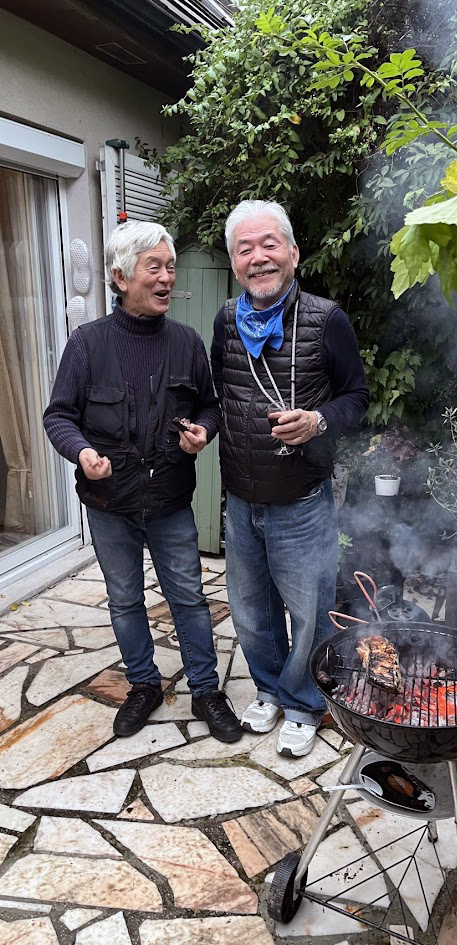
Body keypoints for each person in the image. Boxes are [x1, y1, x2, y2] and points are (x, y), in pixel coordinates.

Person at [44, 221, 241, 743]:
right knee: (125, 599)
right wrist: (83, 452)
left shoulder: (186, 342)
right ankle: (143, 686)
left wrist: (204, 431)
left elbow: (208, 405)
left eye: (170, 268)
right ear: (119, 277)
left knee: (189, 598)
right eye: (153, 267)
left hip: (172, 501)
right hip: (110, 504)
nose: (166, 278)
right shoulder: (87, 345)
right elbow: (58, 416)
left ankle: (205, 690)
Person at [211, 200, 369, 757]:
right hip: (241, 495)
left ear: (294, 253)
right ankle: (270, 688)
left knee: (308, 610)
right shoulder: (227, 319)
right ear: (234, 263)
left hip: (301, 498)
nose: (259, 258)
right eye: (245, 249)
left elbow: (358, 398)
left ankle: (305, 701)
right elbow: (219, 391)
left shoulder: (328, 320)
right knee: (251, 609)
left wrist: (319, 420)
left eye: (269, 244)